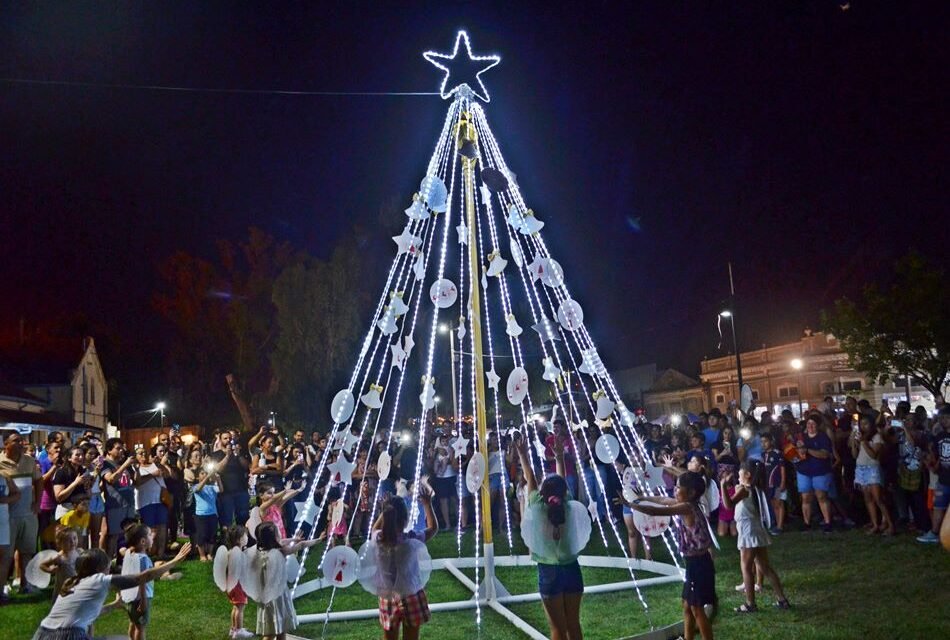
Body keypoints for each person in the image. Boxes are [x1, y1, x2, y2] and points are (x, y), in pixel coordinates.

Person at [32, 543, 191, 640]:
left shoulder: (72, 582)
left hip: (42, 634)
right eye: (108, 565)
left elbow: (85, 613)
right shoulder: (99, 580)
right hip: (68, 636)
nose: (110, 568)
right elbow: (142, 577)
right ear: (100, 568)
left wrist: (114, 605)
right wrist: (175, 561)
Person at [516, 435, 591, 640]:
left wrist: (522, 454)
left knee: (557, 628)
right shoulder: (567, 506)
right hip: (572, 569)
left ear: (542, 492)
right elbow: (560, 482)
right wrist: (558, 458)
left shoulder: (537, 507)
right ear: (564, 492)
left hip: (548, 571)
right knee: (573, 624)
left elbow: (529, 476)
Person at [625, 471, 715, 640]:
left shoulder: (687, 507)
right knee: (687, 606)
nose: (675, 489)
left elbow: (655, 511)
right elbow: (662, 501)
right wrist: (643, 497)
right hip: (695, 563)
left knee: (696, 609)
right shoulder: (684, 504)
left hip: (699, 564)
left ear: (691, 492)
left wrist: (632, 505)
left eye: (679, 487)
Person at [361, 488, 438, 640]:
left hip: (387, 595)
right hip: (411, 593)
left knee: (389, 637)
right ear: (405, 519)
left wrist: (385, 509)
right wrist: (427, 504)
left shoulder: (378, 539)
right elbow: (433, 529)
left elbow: (374, 528)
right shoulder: (411, 538)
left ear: (386, 517)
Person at [720, 460, 789, 613]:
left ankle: (750, 604)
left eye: (740, 471)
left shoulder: (745, 490)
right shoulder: (756, 488)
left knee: (746, 567)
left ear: (748, 474)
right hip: (757, 528)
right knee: (765, 567)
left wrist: (723, 486)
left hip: (748, 530)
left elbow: (728, 505)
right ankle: (782, 599)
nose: (737, 473)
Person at [247, 521, 320, 640]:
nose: (280, 534)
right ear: (273, 538)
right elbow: (301, 545)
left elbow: (284, 541)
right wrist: (317, 540)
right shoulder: (280, 551)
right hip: (278, 594)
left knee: (277, 627)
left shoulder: (260, 551)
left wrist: (294, 539)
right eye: (277, 533)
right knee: (274, 631)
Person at [0, 431, 43, 594]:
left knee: (27, 551)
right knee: (5, 554)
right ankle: (3, 586)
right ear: (6, 444)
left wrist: (38, 502)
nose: (21, 443)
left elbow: (39, 480)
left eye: (22, 440)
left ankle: (26, 584)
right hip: (6, 516)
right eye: (16, 441)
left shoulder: (29, 461)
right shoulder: (0, 462)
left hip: (28, 513)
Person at [850, 416, 893, 535]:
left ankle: (890, 525)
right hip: (861, 468)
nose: (863, 426)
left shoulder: (876, 437)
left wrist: (863, 443)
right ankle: (875, 524)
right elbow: (855, 455)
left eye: (866, 424)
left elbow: (873, 455)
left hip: (872, 469)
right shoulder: (862, 437)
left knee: (878, 498)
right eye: (861, 424)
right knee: (868, 499)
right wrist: (854, 443)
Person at [794, 417, 835, 532]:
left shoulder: (823, 438)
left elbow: (824, 454)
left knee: (821, 496)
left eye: (813, 424)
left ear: (818, 425)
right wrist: (796, 453)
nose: (810, 426)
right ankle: (807, 523)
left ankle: (828, 522)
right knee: (805, 497)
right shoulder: (801, 438)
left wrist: (807, 450)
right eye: (808, 424)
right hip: (804, 471)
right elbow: (793, 453)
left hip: (820, 471)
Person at [918, 406, 950, 543]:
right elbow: (937, 457)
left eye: (946, 417)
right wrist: (932, 464)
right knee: (939, 506)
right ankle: (935, 532)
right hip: (944, 478)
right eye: (941, 418)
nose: (943, 421)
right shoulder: (939, 437)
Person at [101, 437, 137, 559]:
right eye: (118, 448)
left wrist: (134, 468)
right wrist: (125, 465)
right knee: (114, 535)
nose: (121, 451)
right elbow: (111, 479)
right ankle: (109, 562)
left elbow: (135, 481)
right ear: (109, 450)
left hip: (129, 503)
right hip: (115, 504)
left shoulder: (123, 463)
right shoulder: (105, 464)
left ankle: (124, 561)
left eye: (122, 448)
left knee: (129, 534)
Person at [217, 525, 253, 639]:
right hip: (238, 586)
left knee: (235, 607)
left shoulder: (230, 552)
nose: (247, 537)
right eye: (245, 536)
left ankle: (233, 628)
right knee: (240, 608)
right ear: (239, 540)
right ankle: (239, 630)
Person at [209, 431, 251, 529]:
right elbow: (217, 469)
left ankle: (243, 540)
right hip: (226, 493)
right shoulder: (216, 454)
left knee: (243, 518)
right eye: (225, 438)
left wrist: (239, 455)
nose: (228, 440)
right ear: (220, 440)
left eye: (230, 438)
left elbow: (246, 467)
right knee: (226, 519)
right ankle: (227, 541)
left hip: (241, 490)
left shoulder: (239, 452)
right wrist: (227, 456)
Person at [40, 526, 80, 603]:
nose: (72, 542)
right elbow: (42, 565)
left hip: (76, 583)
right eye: (68, 540)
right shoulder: (59, 557)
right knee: (63, 602)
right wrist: (50, 570)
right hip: (62, 585)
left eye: (74, 538)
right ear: (60, 543)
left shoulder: (78, 552)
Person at [193, 460, 222, 561]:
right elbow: (198, 489)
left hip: (213, 514)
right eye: (202, 473)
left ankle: (210, 553)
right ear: (197, 477)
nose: (204, 474)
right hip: (201, 515)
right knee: (202, 534)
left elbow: (221, 490)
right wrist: (207, 476)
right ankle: (202, 555)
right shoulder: (196, 486)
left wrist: (218, 479)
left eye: (205, 473)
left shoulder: (212, 487)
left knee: (212, 535)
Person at [0, 470, 20, 604]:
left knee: (3, 558)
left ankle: (0, 591)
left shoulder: (4, 477)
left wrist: (7, 499)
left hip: (3, 522)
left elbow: (17, 493)